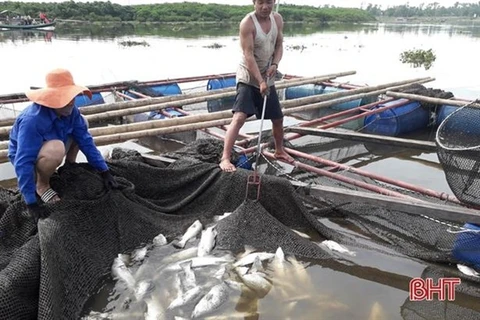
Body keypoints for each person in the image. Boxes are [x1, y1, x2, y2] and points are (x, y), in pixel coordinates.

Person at [8, 68, 118, 223]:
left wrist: (104, 170)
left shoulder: (71, 112)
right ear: (52, 99)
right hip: (31, 158)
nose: (71, 103)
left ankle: (69, 165)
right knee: (56, 148)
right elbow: (23, 161)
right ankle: (42, 185)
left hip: (54, 143)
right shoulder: (32, 121)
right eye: (65, 99)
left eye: (72, 97)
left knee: (83, 123)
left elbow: (86, 141)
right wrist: (30, 201)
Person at [219, 0, 294, 172]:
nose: (265, 6)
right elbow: (248, 55)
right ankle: (225, 158)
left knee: (278, 118)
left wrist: (275, 64)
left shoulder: (277, 19)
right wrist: (259, 82)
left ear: (274, 2)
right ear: (254, 3)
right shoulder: (248, 23)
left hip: (267, 74)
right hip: (248, 76)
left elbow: (279, 45)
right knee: (239, 117)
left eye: (268, 2)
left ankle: (279, 150)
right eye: (260, 2)